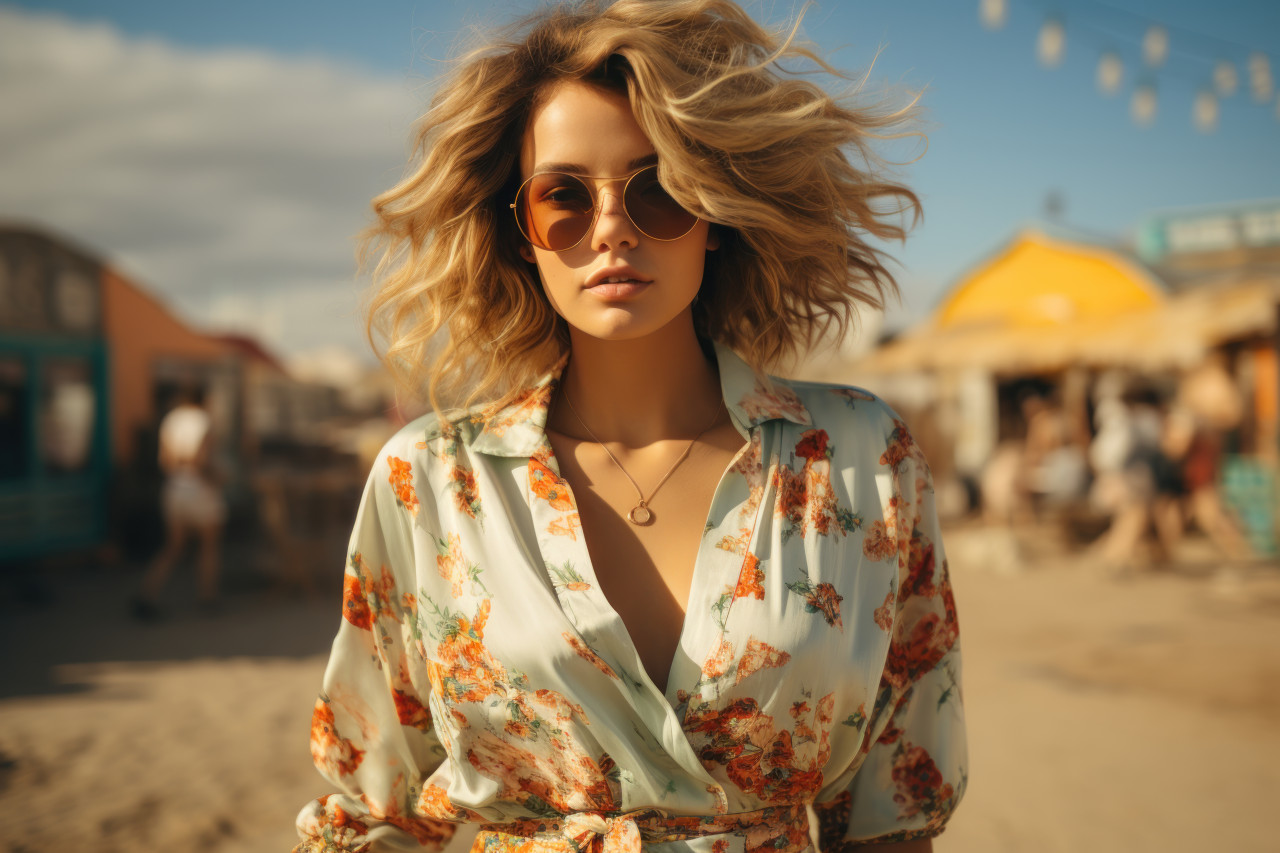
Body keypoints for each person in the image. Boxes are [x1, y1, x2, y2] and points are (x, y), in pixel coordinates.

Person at [295, 2, 965, 851]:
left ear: (714, 212)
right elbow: (371, 810)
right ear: (522, 232)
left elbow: (892, 816)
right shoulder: (428, 478)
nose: (611, 227)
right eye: (563, 197)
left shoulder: (863, 461)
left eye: (656, 190)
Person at [132, 385, 226, 619]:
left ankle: (147, 593)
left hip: (174, 489)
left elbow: (166, 461)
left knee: (173, 546)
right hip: (199, 491)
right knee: (208, 546)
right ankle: (208, 597)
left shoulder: (171, 420)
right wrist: (219, 477)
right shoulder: (204, 420)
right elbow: (201, 460)